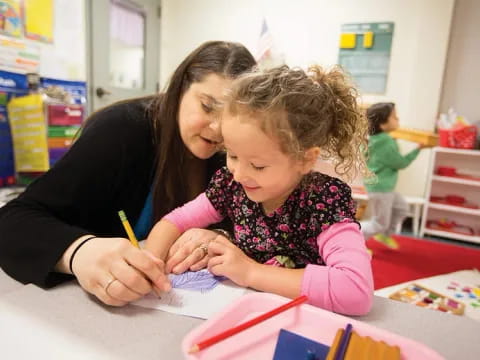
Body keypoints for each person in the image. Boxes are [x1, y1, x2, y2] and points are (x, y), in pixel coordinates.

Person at [0, 41, 256, 306]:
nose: (216, 128)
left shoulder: (235, 151)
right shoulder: (120, 132)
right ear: (180, 90)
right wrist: (79, 251)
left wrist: (219, 237)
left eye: (230, 116)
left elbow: (259, 225)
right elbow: (13, 220)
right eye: (206, 106)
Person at [145, 65, 374, 315]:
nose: (240, 173)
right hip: (243, 311)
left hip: (301, 320)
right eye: (231, 155)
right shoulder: (230, 184)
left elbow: (355, 291)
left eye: (258, 165)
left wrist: (251, 272)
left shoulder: (322, 200)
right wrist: (150, 264)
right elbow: (174, 221)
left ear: (305, 159)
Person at [360, 102, 425, 248]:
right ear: (383, 125)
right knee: (379, 223)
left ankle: (384, 235)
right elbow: (400, 163)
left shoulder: (377, 139)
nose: (398, 119)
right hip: (381, 187)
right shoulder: (385, 141)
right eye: (394, 117)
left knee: (402, 208)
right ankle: (355, 239)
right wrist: (417, 149)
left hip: (382, 187)